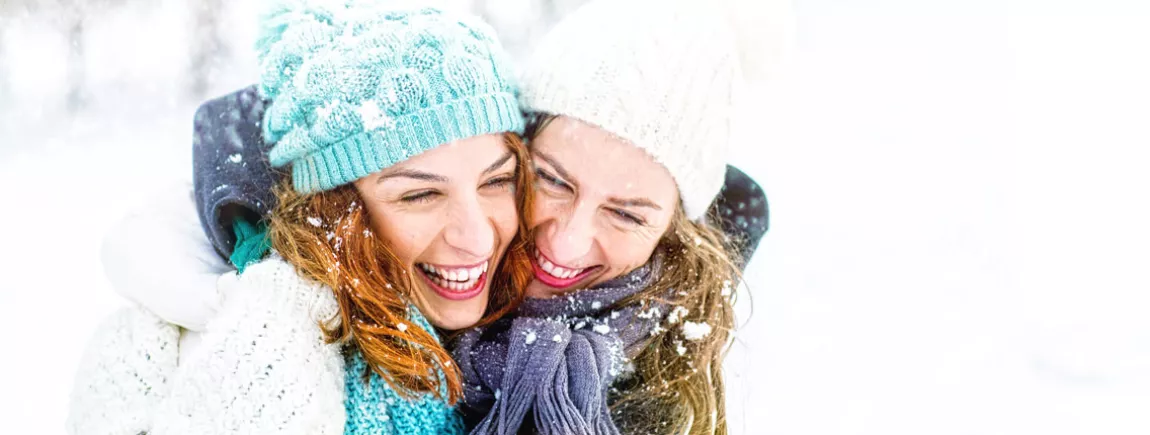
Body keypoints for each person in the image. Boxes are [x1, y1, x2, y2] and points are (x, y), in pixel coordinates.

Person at [89, 0, 771, 433]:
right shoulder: (275, 330)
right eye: (550, 181)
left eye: (627, 212)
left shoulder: (665, 369)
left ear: (675, 230)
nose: (563, 238)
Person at [66, 1, 532, 434]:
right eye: (420, 195)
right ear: (337, 209)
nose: (477, 239)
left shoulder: (546, 321)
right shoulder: (177, 348)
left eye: (496, 182)